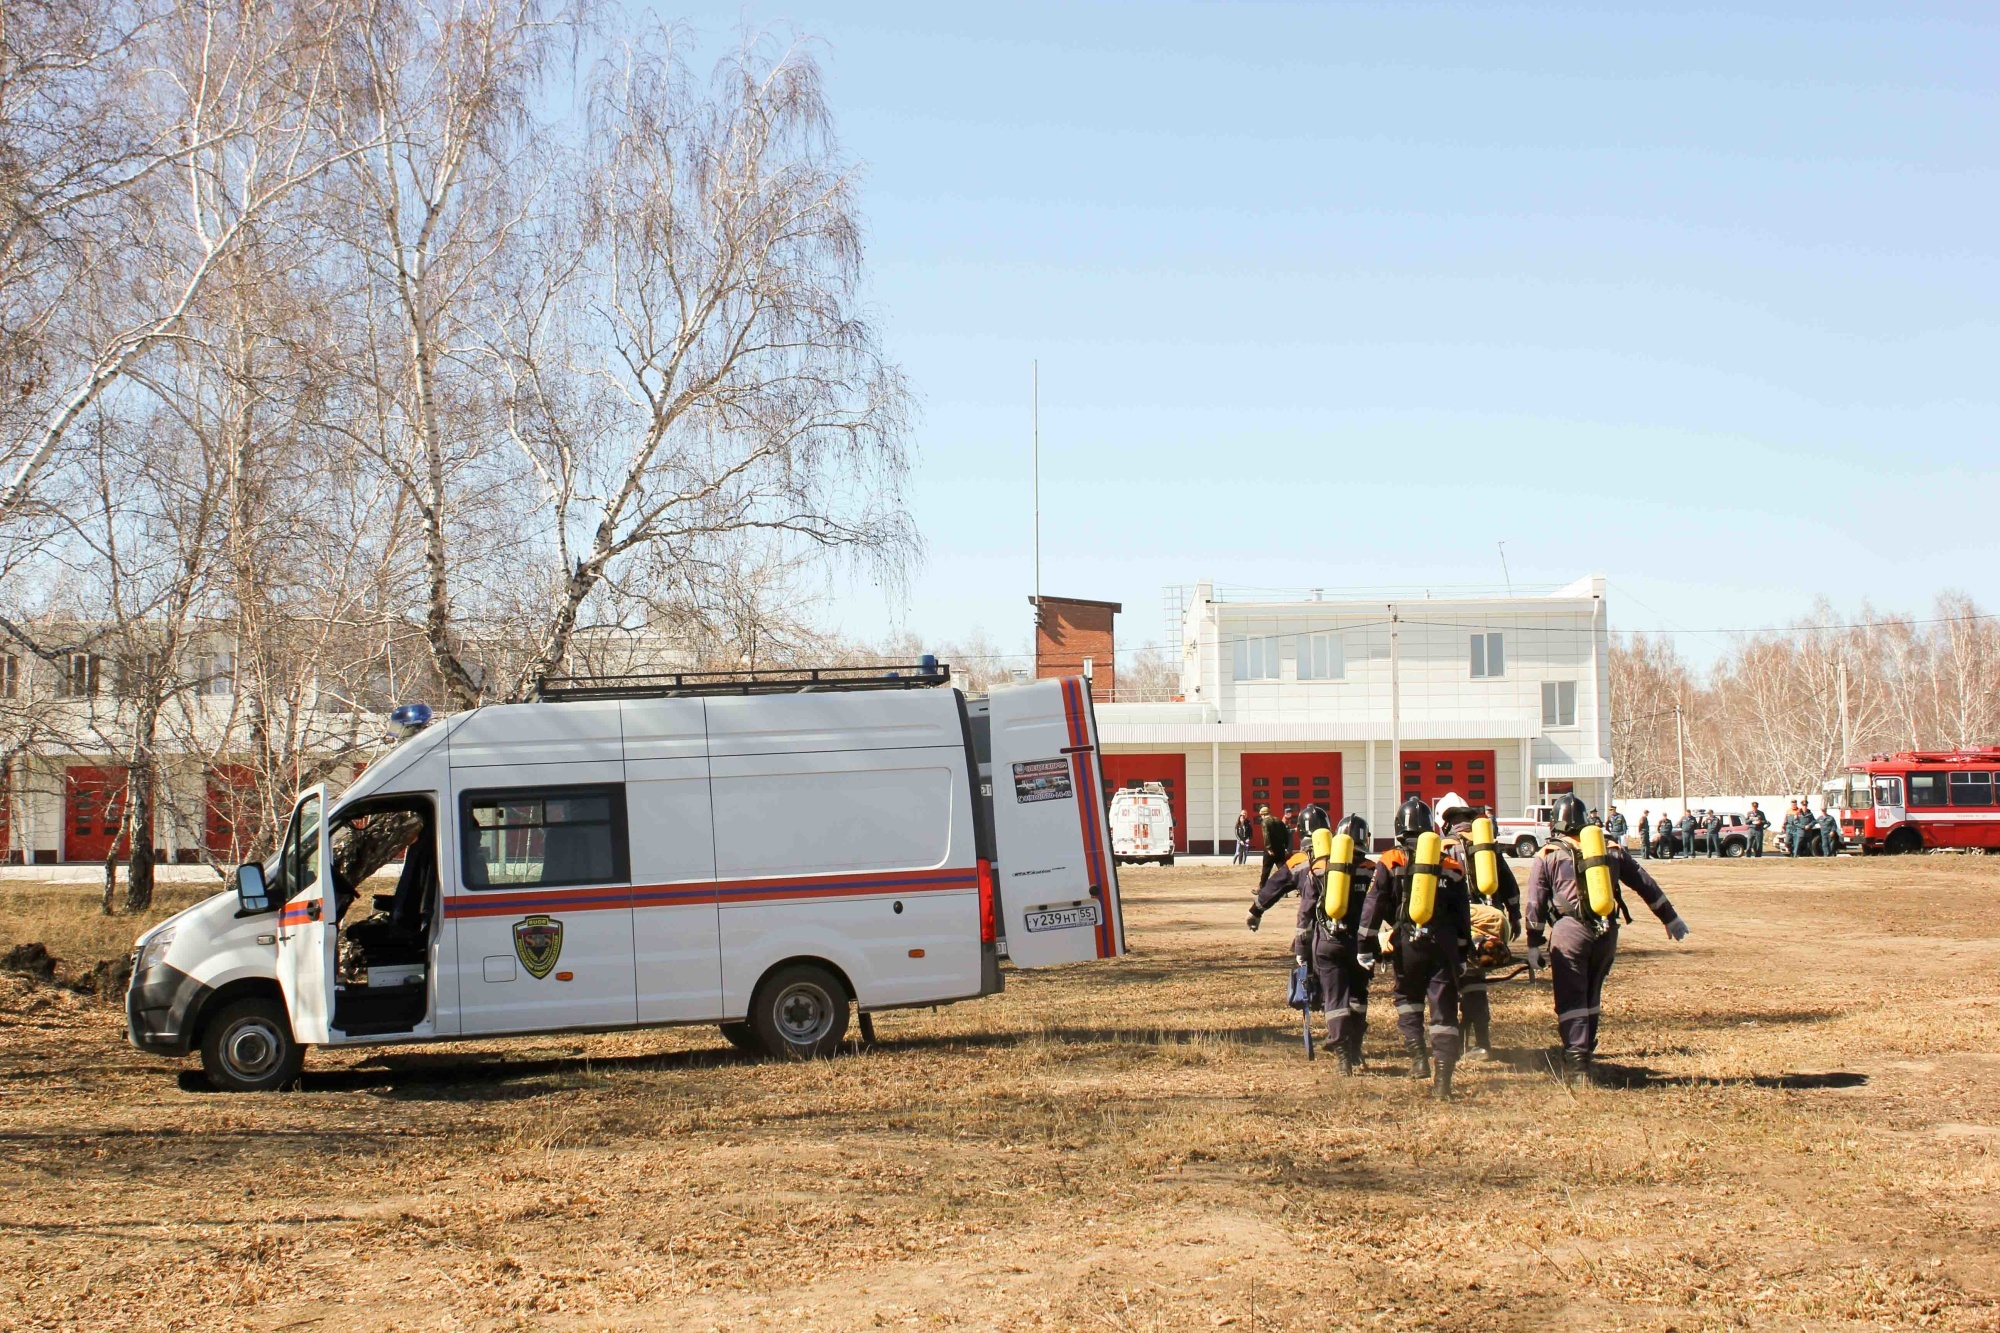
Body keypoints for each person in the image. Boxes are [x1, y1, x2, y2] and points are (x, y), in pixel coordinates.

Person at [1523, 793, 1691, 1083]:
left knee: (1571, 996)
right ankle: (1587, 1049)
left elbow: (1536, 903)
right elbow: (1644, 883)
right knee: (1591, 993)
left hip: (1570, 932)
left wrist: (1533, 943)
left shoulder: (1548, 855)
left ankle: (1577, 1062)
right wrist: (1670, 918)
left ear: (1557, 823)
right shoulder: (1611, 849)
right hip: (1606, 932)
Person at [1358, 797, 1471, 1100]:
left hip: (1407, 942)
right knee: (1443, 1007)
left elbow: (1374, 903)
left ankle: (1419, 1057)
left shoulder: (1390, 860)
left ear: (1398, 828)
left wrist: (1365, 945)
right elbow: (1463, 914)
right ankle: (1444, 1080)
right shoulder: (1450, 864)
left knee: (1408, 999)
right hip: (1444, 944)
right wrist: (1462, 953)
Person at [1434, 794, 1520, 1061]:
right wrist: (1515, 917)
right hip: (1487, 926)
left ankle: (1453, 1043)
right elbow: (1509, 885)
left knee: (1448, 983)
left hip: (1453, 925)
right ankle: (1481, 1042)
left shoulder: (1441, 847)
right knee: (1475, 985)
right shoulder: (1486, 847)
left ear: (1445, 822)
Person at [1257, 806, 1289, 888]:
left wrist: (1268, 848)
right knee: (1282, 870)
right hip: (1280, 849)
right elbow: (1286, 834)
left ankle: (1261, 888)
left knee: (1266, 869)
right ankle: (1284, 889)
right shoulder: (1279, 821)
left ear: (1263, 815)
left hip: (1271, 850)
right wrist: (1286, 846)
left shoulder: (1265, 822)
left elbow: (1266, 835)